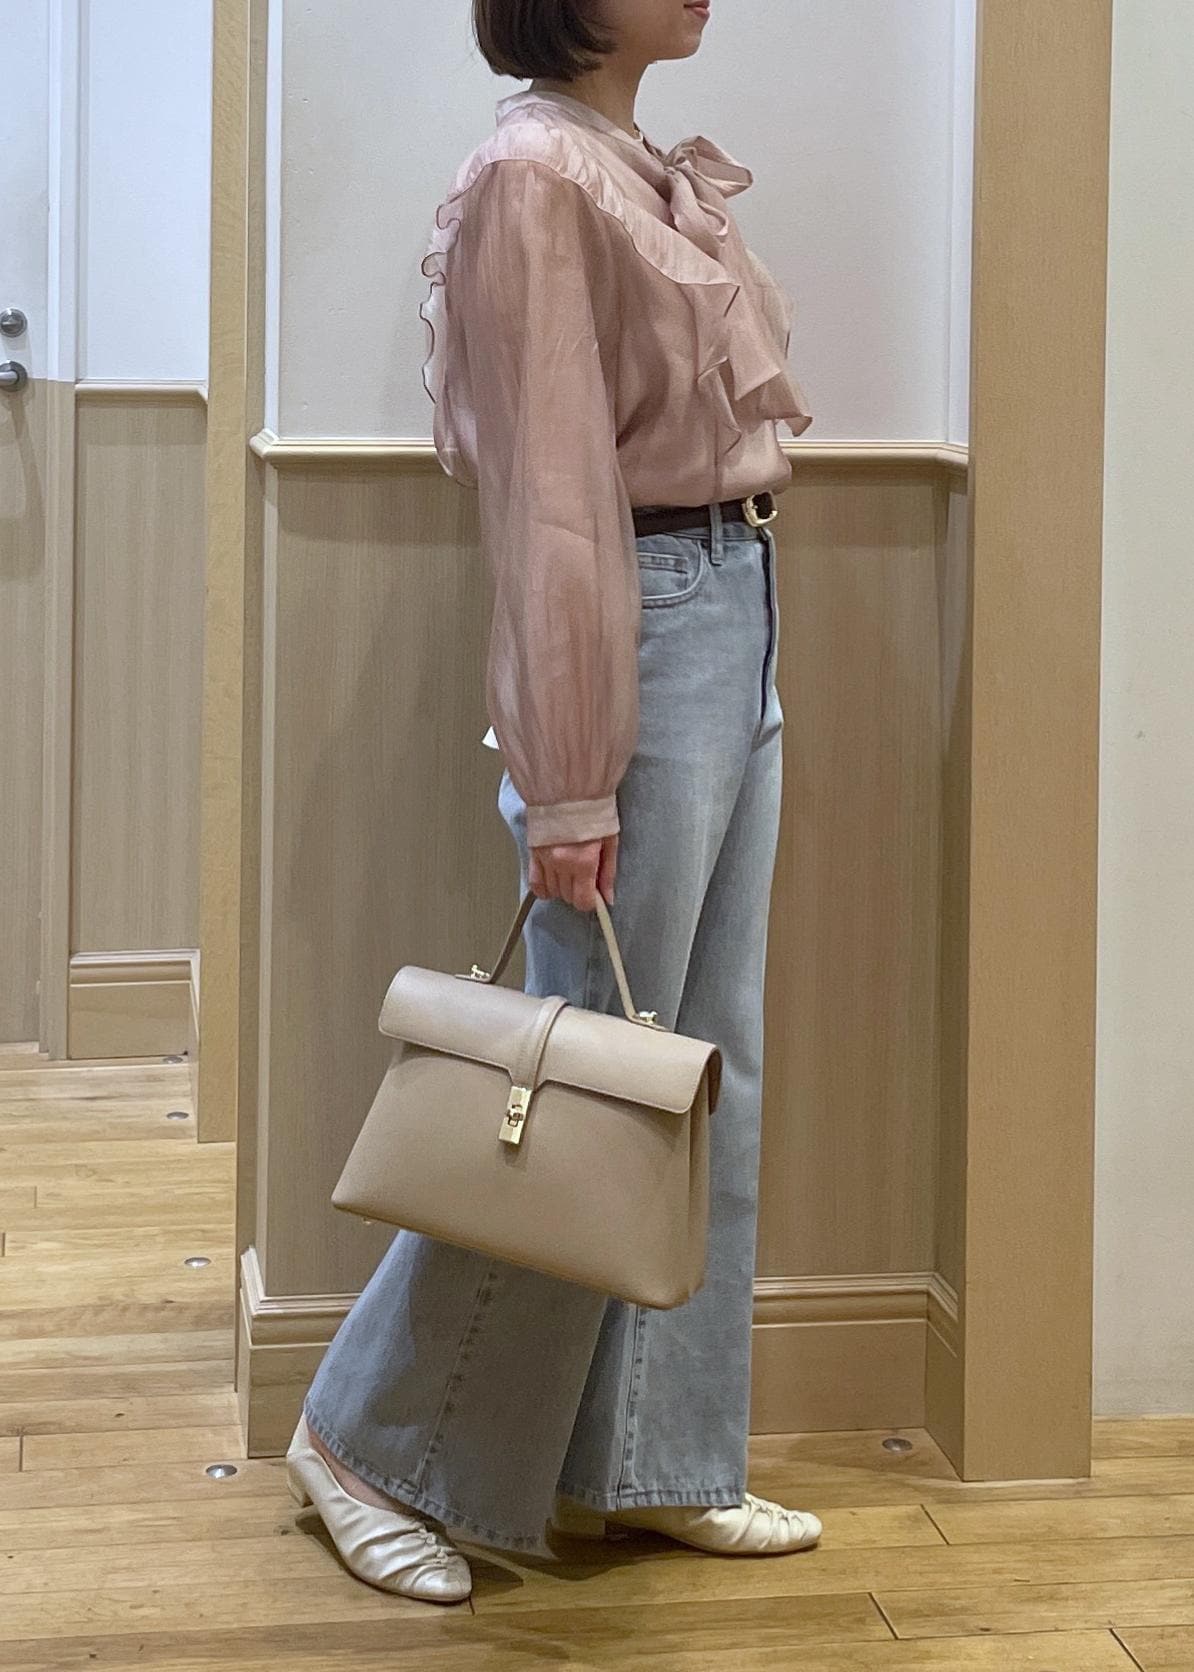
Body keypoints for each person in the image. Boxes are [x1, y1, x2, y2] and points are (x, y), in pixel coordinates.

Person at [285, 0, 822, 1604]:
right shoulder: (536, 173)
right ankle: (366, 1441)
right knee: (571, 1083)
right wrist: (570, 769)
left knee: (693, 1070)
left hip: (729, 601)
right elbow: (551, 506)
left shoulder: (628, 160)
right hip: (645, 625)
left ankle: (652, 1460)